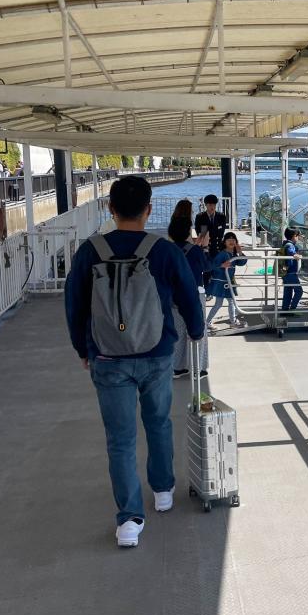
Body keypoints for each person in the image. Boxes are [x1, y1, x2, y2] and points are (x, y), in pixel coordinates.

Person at [64, 176, 204, 549]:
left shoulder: (89, 251)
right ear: (148, 209)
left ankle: (129, 520)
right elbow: (189, 295)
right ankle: (162, 491)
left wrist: (83, 348)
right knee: (158, 422)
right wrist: (195, 331)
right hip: (157, 353)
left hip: (107, 357)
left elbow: (75, 305)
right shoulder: (163, 250)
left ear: (110, 209)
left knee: (120, 439)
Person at [168, 217, 212, 378]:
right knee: (198, 330)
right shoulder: (194, 250)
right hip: (194, 293)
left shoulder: (166, 249)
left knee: (178, 331)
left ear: (170, 234)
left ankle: (177, 368)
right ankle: (197, 369)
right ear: (188, 233)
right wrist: (204, 246)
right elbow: (206, 267)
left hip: (173, 296)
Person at [207, 231, 247, 333]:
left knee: (229, 302)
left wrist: (240, 252)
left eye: (233, 240)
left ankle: (232, 321)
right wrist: (221, 265)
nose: (231, 241)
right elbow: (212, 265)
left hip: (228, 282)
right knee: (220, 303)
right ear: (224, 242)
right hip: (221, 283)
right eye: (229, 240)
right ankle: (208, 322)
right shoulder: (222, 254)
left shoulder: (233, 254)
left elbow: (242, 262)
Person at [280, 228, 303, 313]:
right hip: (291, 273)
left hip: (285, 273)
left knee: (288, 292)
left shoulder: (285, 244)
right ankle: (293, 309)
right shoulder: (290, 245)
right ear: (294, 236)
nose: (298, 238)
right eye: (298, 236)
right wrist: (296, 255)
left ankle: (285, 309)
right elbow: (290, 252)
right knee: (299, 291)